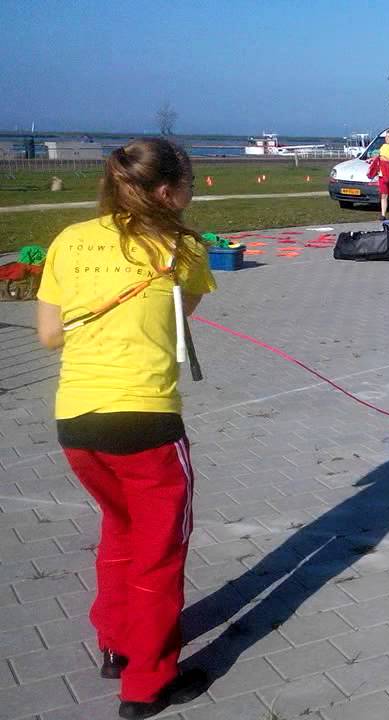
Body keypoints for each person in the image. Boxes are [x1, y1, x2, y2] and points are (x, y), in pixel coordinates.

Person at [35, 138, 215, 719]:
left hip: (77, 422)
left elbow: (49, 334)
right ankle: (147, 681)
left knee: (119, 530)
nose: (190, 196)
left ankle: (115, 643)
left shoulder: (68, 241)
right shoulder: (182, 247)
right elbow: (178, 318)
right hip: (146, 423)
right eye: (188, 185)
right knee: (159, 552)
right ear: (166, 191)